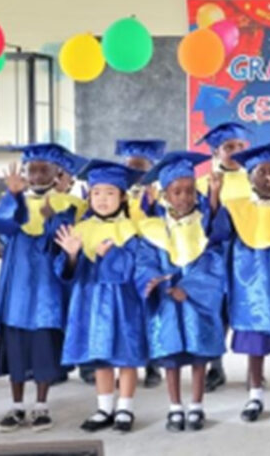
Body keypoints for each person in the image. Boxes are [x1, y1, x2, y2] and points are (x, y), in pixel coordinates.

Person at [210, 140, 270, 424]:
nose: (268, 178)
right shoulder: (236, 207)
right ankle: (255, 396)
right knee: (255, 346)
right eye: (261, 172)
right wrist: (214, 196)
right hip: (249, 287)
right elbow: (216, 234)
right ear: (249, 176)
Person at [0, 144, 86, 433]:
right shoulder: (13, 198)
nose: (36, 175)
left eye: (43, 169)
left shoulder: (69, 204)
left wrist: (52, 216)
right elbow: (4, 228)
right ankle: (17, 406)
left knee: (44, 345)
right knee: (16, 345)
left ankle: (41, 406)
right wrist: (14, 196)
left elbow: (63, 241)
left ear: (57, 173)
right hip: (18, 285)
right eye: (31, 170)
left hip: (47, 287)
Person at [135, 151, 226, 432]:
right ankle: (175, 407)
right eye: (177, 192)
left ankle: (197, 405)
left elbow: (214, 262)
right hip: (166, 301)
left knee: (199, 354)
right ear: (165, 196)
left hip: (196, 301)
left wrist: (188, 289)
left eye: (189, 190)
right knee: (170, 355)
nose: (184, 197)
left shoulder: (205, 225)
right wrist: (154, 282)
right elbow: (145, 262)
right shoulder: (153, 229)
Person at [55, 160, 147, 433]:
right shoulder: (81, 229)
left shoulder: (131, 229)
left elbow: (137, 266)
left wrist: (113, 255)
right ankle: (104, 407)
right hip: (91, 301)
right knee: (100, 355)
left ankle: (125, 407)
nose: (102, 199)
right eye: (96, 193)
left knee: (126, 355)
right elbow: (68, 272)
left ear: (122, 197)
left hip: (123, 301)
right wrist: (72, 255)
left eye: (109, 193)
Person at [195, 122, 252, 392]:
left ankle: (254, 368)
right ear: (216, 151)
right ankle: (215, 367)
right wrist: (214, 196)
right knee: (217, 310)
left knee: (249, 306)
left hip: (248, 253)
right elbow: (201, 221)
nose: (236, 151)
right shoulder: (203, 183)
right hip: (216, 254)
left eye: (240, 146)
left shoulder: (254, 178)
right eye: (229, 147)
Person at [116, 139, 167, 388]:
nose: (135, 173)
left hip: (149, 260)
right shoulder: (116, 194)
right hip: (123, 260)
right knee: (125, 314)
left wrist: (154, 204)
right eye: (130, 167)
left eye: (141, 168)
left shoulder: (160, 195)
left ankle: (153, 365)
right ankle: (125, 365)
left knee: (150, 313)